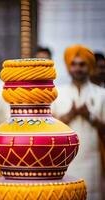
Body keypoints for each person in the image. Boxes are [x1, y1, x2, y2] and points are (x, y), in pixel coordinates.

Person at [52, 44, 105, 200]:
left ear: (89, 66)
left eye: (82, 64)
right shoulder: (57, 93)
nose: (77, 69)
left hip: (93, 159)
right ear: (69, 67)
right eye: (74, 64)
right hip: (65, 162)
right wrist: (70, 114)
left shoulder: (101, 94)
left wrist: (90, 116)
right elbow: (50, 128)